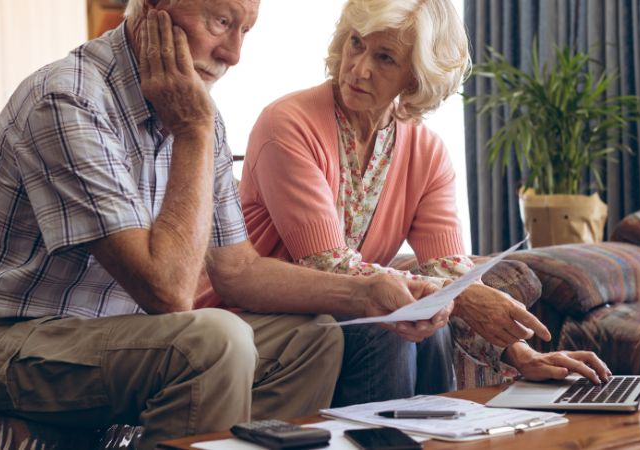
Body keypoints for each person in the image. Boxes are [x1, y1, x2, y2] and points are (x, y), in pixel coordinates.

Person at [0, 1, 453, 448]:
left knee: (312, 338)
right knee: (213, 340)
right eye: (222, 22)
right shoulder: (69, 99)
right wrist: (194, 132)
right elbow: (169, 292)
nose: (234, 54)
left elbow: (238, 271)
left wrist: (367, 296)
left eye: (245, 31)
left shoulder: (200, 115)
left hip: (105, 337)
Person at [226, 0, 612, 405]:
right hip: (260, 312)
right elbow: (327, 265)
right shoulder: (287, 123)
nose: (359, 68)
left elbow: (449, 270)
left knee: (427, 325)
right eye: (356, 44)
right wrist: (456, 297)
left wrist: (520, 354)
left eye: (385, 57)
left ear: (415, 79)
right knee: (389, 325)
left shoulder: (426, 151)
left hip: (340, 314)